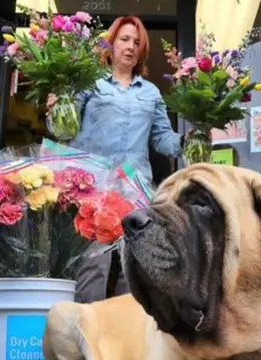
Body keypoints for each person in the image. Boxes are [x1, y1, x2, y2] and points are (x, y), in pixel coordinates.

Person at [46, 15, 183, 303]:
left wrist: (193, 138)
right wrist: (56, 110)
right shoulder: (89, 82)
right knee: (93, 263)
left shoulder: (151, 92)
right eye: (124, 39)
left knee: (132, 265)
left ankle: (123, 339)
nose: (130, 46)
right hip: (92, 186)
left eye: (136, 42)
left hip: (135, 187)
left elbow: (163, 141)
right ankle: (87, 336)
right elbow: (64, 129)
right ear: (111, 43)